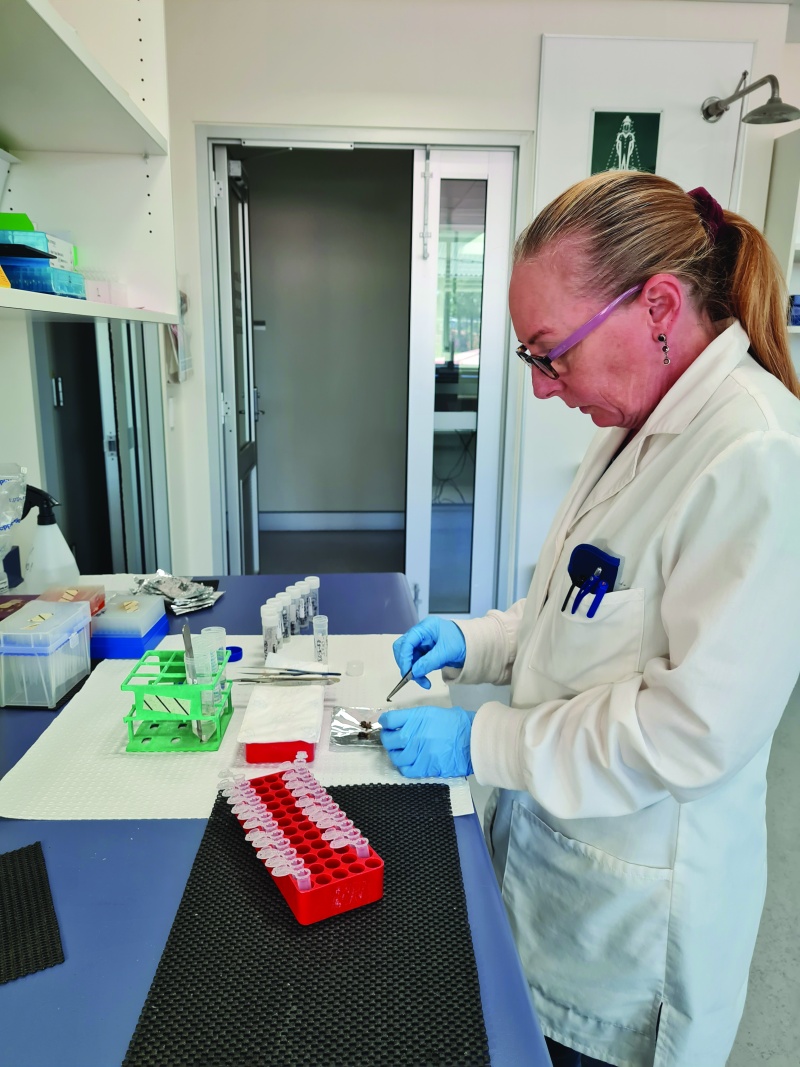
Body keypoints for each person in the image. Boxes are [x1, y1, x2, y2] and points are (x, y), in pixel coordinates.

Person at [379, 171, 800, 1067]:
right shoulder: (630, 427)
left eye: (549, 353)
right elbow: (569, 611)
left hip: (629, 936)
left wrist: (479, 743)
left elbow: (690, 735)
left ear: (656, 305)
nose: (541, 388)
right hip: (549, 877)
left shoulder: (757, 456)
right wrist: (477, 638)